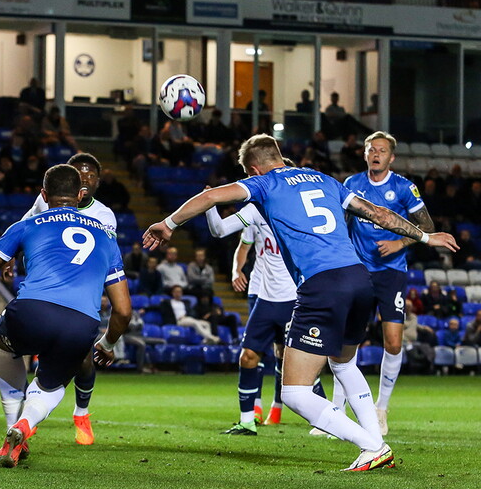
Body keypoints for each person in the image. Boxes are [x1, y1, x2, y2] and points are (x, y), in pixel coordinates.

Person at [143, 133, 457, 471]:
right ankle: (375, 442)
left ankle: (372, 446)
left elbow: (211, 196)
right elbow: (376, 213)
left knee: (294, 392)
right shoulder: (325, 179)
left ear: (252, 170)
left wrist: (168, 222)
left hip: (323, 287)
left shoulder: (264, 184)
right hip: (358, 279)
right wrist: (425, 236)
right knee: (343, 364)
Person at [0, 164, 131, 468]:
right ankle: (24, 426)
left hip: (32, 312)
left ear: (43, 194)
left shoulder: (27, 225)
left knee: (7, 346)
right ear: (81, 194)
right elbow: (123, 310)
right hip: (81, 324)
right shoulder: (107, 238)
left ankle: (10, 424)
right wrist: (107, 343)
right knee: (51, 386)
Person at [205, 175, 326, 434]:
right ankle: (248, 420)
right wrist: (210, 204)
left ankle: (324, 418)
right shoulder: (255, 209)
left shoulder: (303, 213)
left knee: (299, 364)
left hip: (297, 299)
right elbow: (219, 231)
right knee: (248, 356)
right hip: (266, 297)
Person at [17, 153, 116, 445]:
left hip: (80, 296)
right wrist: (13, 256)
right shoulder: (44, 202)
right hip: (43, 289)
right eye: (79, 173)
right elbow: (25, 225)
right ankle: (24, 414)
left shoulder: (104, 215)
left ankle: (80, 413)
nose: (85, 178)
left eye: (91, 175)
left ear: (97, 182)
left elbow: (106, 260)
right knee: (31, 350)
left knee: (83, 361)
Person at [340, 131, 434, 435]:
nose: (376, 154)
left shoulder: (404, 188)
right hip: (357, 269)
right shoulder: (352, 185)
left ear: (391, 157)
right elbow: (343, 223)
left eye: (382, 150)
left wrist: (399, 244)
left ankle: (381, 408)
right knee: (346, 339)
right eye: (371, 149)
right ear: (365, 154)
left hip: (391, 271)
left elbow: (427, 226)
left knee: (393, 341)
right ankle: (337, 407)